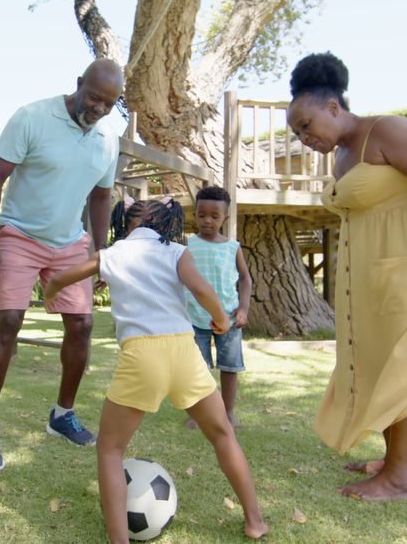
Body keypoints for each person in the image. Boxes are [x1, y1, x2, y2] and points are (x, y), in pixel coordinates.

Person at [285, 52, 407, 501]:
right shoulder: (342, 157)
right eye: (296, 132)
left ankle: (399, 478)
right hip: (391, 272)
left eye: (306, 124)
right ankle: (396, 462)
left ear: (334, 107)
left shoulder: (387, 130)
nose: (303, 137)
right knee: (385, 362)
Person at [45, 199, 269, 542]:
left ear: (127, 224)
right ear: (164, 223)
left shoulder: (113, 254)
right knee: (223, 434)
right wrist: (222, 319)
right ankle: (255, 521)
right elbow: (201, 289)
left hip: (142, 356)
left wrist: (51, 292)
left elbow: (63, 277)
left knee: (110, 449)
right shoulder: (176, 251)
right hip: (184, 351)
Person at [0, 59, 123, 472]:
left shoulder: (109, 137)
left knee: (82, 325)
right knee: (9, 322)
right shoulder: (33, 117)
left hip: (69, 242)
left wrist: (101, 253)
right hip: (19, 234)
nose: (98, 109)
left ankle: (63, 415)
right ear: (78, 84)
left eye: (108, 104)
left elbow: (99, 198)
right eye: (93, 97)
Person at [182, 186, 252, 430]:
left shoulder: (233, 247)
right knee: (199, 368)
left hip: (229, 318)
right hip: (194, 317)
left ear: (226, 217)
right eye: (201, 215)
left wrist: (243, 309)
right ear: (195, 215)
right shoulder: (186, 245)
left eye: (214, 216)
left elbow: (245, 279)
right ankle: (199, 414)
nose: (207, 221)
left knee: (229, 367)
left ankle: (228, 413)